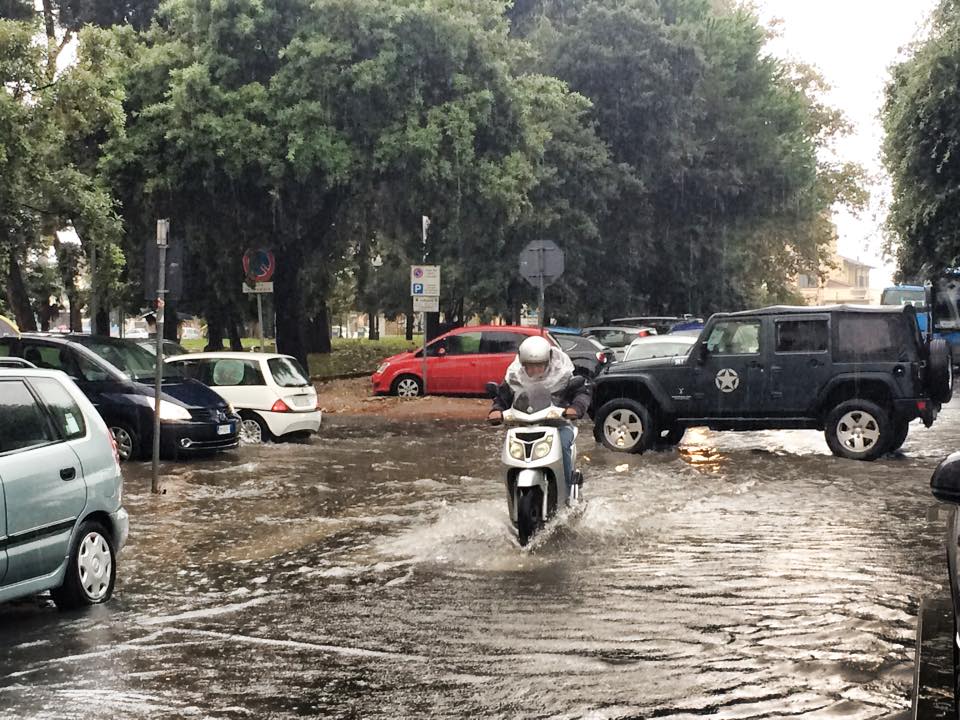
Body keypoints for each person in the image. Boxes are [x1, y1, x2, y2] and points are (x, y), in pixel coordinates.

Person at [487, 335, 592, 489]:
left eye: (539, 365)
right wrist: (496, 410)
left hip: (557, 425)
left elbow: (581, 392)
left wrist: (575, 408)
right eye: (529, 366)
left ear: (547, 362)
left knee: (563, 445)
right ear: (523, 364)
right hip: (522, 426)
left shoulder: (562, 374)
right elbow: (503, 396)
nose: (534, 370)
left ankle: (568, 487)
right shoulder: (515, 377)